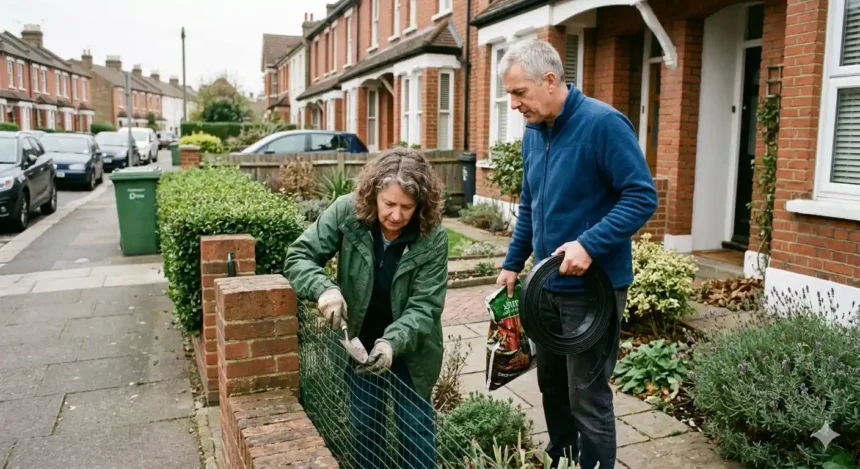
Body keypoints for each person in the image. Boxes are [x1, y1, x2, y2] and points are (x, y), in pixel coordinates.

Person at [495, 39, 659, 469]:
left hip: (593, 291)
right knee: (551, 385)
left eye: (518, 93)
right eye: (509, 94)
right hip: (545, 287)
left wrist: (590, 243)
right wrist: (514, 263)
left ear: (550, 81)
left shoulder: (604, 125)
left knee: (588, 397)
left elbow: (641, 197)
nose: (513, 104)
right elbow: (531, 205)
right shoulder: (534, 133)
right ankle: (563, 460)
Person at [284, 148, 448, 469]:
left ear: (421, 206)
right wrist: (325, 289)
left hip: (411, 348)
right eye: (389, 204)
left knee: (415, 431)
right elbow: (299, 256)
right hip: (359, 343)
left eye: (407, 207)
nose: (397, 215)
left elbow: (425, 305)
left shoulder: (432, 236)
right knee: (365, 429)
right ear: (373, 193)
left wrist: (392, 343)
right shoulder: (347, 212)